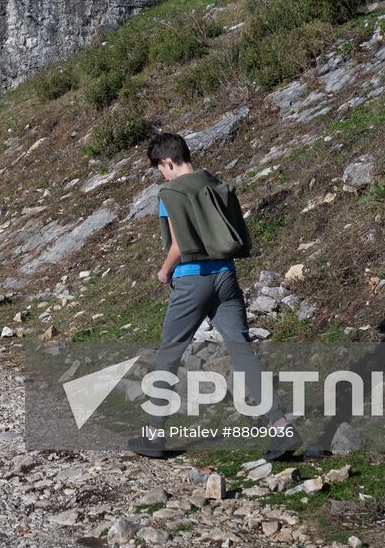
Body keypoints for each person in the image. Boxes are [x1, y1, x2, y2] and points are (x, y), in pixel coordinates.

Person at [128, 132, 300, 461]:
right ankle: (281, 427)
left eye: (159, 169)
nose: (160, 176)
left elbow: (179, 245)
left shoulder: (170, 192)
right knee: (242, 351)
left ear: (167, 162)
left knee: (168, 355)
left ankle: (155, 435)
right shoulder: (215, 183)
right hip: (225, 276)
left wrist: (164, 271)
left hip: (192, 280)